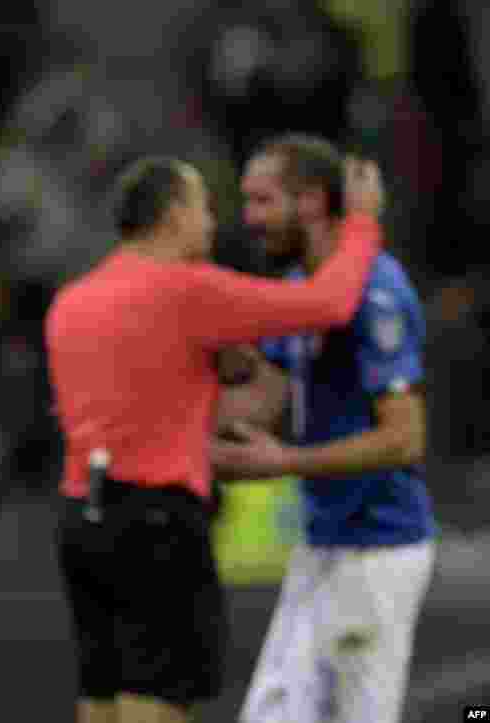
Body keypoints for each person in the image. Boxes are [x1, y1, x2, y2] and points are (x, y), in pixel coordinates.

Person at [45, 153, 385, 723]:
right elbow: (329, 303)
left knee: (101, 698)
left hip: (81, 517)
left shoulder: (72, 302)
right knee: (158, 697)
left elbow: (127, 388)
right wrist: (362, 223)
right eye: (204, 205)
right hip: (156, 519)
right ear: (173, 213)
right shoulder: (189, 290)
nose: (214, 219)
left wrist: (208, 364)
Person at [211, 134, 435, 723]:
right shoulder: (301, 294)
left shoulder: (378, 294)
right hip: (324, 543)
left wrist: (282, 463)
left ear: (310, 202)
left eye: (261, 201)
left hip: (379, 550)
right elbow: (266, 406)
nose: (249, 220)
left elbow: (405, 439)